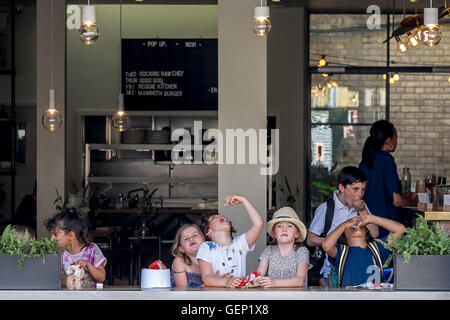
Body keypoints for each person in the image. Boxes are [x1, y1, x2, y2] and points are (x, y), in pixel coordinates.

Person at [307, 166, 379, 286]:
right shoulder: (326, 208)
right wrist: (336, 242)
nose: (359, 195)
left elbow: (375, 233)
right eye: (355, 189)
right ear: (341, 187)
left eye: (363, 190)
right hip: (331, 271)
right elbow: (310, 240)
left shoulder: (362, 207)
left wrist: (362, 212)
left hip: (357, 270)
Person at [359, 120, 418, 237]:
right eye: (395, 137)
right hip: (387, 227)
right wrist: (413, 202)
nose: (397, 141)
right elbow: (397, 201)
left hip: (369, 224)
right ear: (388, 140)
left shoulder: (365, 161)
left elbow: (378, 192)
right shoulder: (387, 160)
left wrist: (403, 196)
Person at [196, 194, 264, 288]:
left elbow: (259, 224)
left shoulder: (239, 244)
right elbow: (206, 278)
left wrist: (244, 200)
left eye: (221, 215)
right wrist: (226, 282)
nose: (221, 215)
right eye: (214, 217)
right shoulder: (205, 247)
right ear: (208, 231)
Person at [322, 214, 405, 288]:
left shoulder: (377, 247)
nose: (357, 226)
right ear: (344, 233)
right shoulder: (342, 252)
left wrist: (370, 218)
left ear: (366, 231)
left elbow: (400, 229)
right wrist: (344, 225)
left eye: (361, 225)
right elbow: (326, 246)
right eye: (353, 225)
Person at [45, 209, 106, 288]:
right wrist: (65, 282)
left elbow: (102, 278)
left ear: (71, 235)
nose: (51, 239)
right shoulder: (59, 253)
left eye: (55, 234)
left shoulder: (92, 250)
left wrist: (88, 265)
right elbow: (53, 280)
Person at [255, 207, 311, 288]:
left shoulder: (301, 251)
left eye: (289, 226)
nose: (284, 230)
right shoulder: (268, 251)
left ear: (297, 233)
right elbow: (258, 275)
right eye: (279, 226)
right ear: (274, 233)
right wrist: (253, 279)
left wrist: (274, 283)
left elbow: (300, 280)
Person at [170, 224, 205, 288]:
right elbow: (182, 290)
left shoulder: (210, 260)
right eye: (186, 239)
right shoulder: (180, 261)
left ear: (203, 239)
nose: (191, 239)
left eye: (194, 235)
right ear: (180, 248)